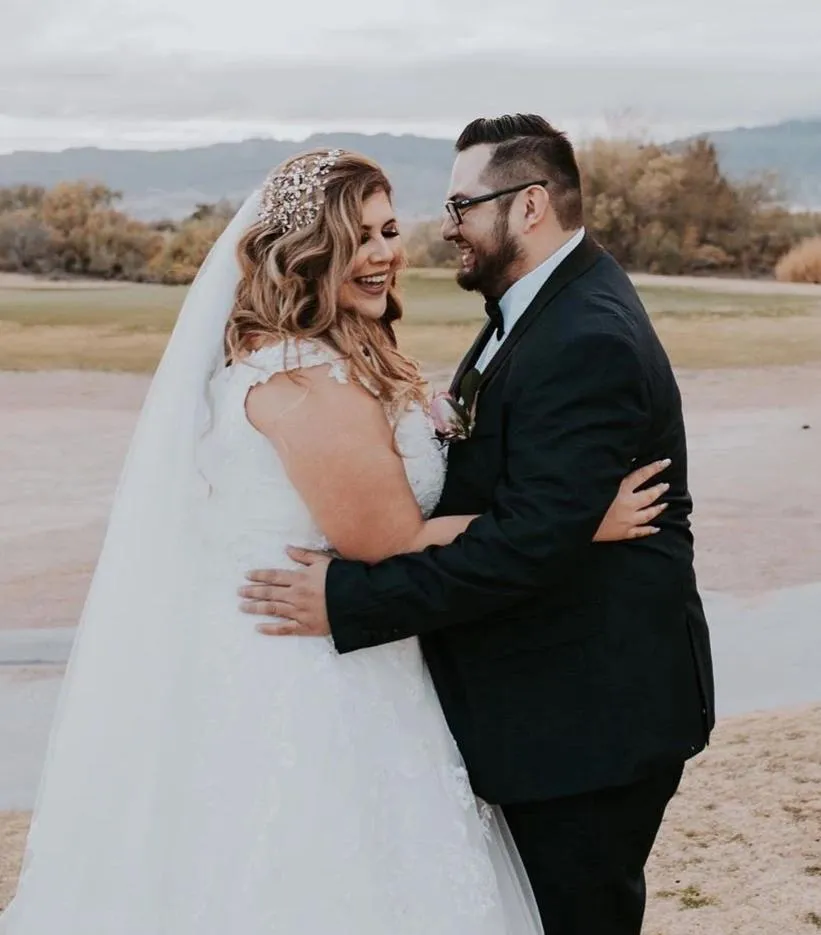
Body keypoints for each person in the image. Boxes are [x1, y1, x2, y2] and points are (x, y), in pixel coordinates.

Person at [1, 147, 667, 935]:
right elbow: (393, 538)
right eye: (359, 236)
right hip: (312, 674)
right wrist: (576, 520)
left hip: (356, 657)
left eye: (390, 228)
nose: (385, 251)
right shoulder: (304, 381)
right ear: (310, 252)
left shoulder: (336, 358)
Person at [240, 117, 716, 935]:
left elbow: (526, 547)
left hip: (584, 725)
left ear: (527, 207)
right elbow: (523, 510)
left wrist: (348, 601)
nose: (443, 226)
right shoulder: (538, 308)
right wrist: (569, 520)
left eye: (460, 205)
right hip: (543, 710)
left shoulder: (584, 334)